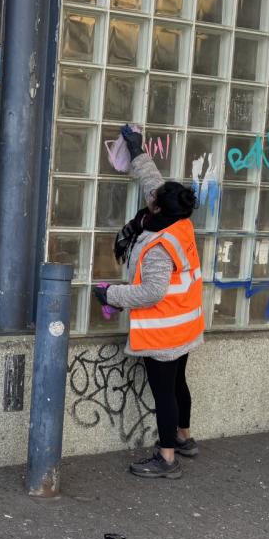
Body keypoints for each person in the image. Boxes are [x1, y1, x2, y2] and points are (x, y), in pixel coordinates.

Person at [93, 125, 204, 480]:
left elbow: (151, 293)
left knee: (164, 394)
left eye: (153, 199)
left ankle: (167, 458)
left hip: (165, 331)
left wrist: (110, 294)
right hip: (185, 323)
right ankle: (185, 439)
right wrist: (137, 150)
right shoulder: (180, 224)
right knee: (178, 383)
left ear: (158, 208)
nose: (149, 198)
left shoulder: (158, 247)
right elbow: (153, 182)